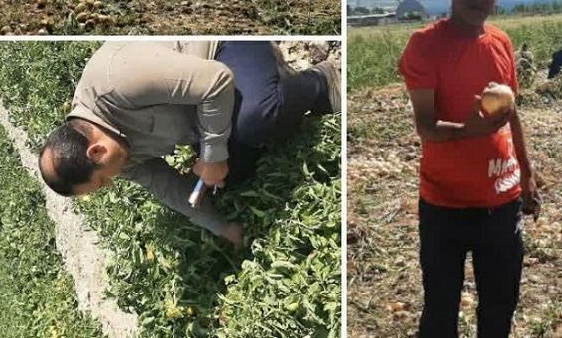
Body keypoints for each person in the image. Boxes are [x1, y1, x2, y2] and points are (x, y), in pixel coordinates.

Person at [38, 41, 341, 247]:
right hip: (201, 109)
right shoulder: (111, 152)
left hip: (220, 51)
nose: (111, 183)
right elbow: (165, 185)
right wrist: (220, 227)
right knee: (233, 177)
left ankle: (319, 81)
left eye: (103, 181)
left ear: (97, 151)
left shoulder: (117, 80)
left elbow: (215, 81)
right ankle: (269, 88)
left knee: (256, 121)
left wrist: (211, 156)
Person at [399, 0, 539, 338]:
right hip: (446, 206)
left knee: (499, 307)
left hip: (502, 199)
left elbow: (512, 115)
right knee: (441, 309)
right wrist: (472, 130)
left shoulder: (501, 43)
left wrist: (527, 175)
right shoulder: (425, 45)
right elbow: (425, 125)